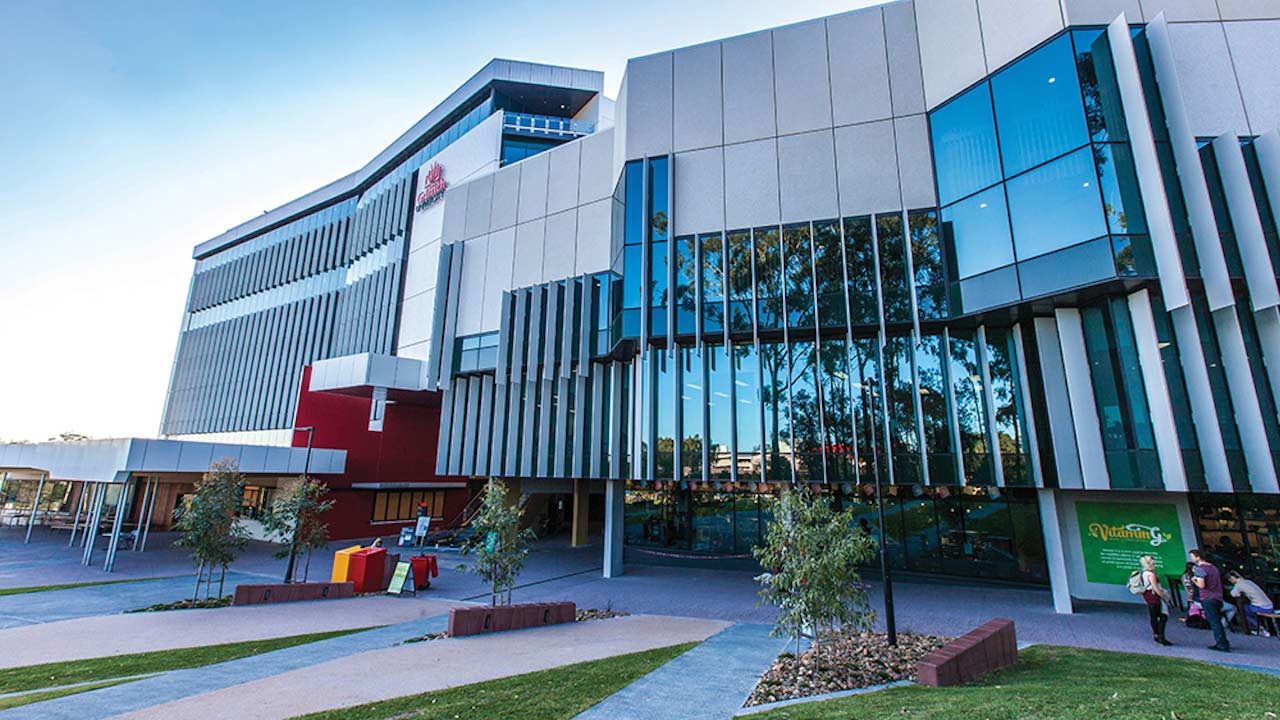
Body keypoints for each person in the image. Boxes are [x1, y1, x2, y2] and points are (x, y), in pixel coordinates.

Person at [1190, 548, 1230, 652]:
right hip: (1217, 597)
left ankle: (1221, 644)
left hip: (1207, 597)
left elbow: (1202, 585)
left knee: (1214, 622)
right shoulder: (1213, 567)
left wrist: (1194, 580)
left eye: (1192, 556)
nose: (1191, 558)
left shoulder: (1200, 569)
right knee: (1217, 620)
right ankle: (1223, 641)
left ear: (1198, 557)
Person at [1227, 570, 1275, 635]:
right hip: (1269, 605)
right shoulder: (1248, 581)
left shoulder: (1238, 585)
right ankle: (1259, 626)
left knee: (1244, 610)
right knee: (1250, 608)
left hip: (1262, 607)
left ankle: (1260, 628)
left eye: (1230, 580)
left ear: (1231, 578)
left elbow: (1233, 594)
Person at [1140, 555, 1173, 646]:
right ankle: (1161, 636)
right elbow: (1156, 588)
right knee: (1163, 616)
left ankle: (1156, 634)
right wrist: (1164, 597)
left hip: (1148, 596)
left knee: (1153, 616)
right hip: (1155, 596)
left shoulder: (1144, 573)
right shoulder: (1151, 575)